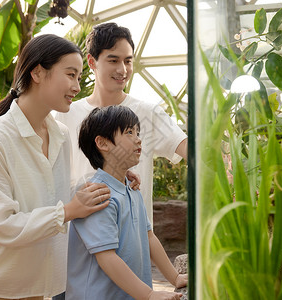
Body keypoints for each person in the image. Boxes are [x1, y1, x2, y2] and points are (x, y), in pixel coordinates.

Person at [0, 34, 111, 300]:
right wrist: (68, 211)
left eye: (79, 77)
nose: (77, 86)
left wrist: (113, 177)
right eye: (70, 75)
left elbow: (62, 193)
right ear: (37, 72)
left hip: (34, 289)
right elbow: (4, 223)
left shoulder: (61, 135)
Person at [56, 22, 187, 224]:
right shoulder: (67, 114)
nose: (122, 69)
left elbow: (189, 149)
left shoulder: (148, 112)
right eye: (113, 60)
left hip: (135, 234)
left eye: (128, 61)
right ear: (92, 62)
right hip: (84, 234)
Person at [65, 105, 188, 300]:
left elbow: (149, 238)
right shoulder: (97, 195)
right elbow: (107, 257)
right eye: (129, 132)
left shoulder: (131, 189)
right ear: (103, 143)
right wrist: (148, 294)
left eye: (138, 132)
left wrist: (175, 278)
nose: (138, 138)